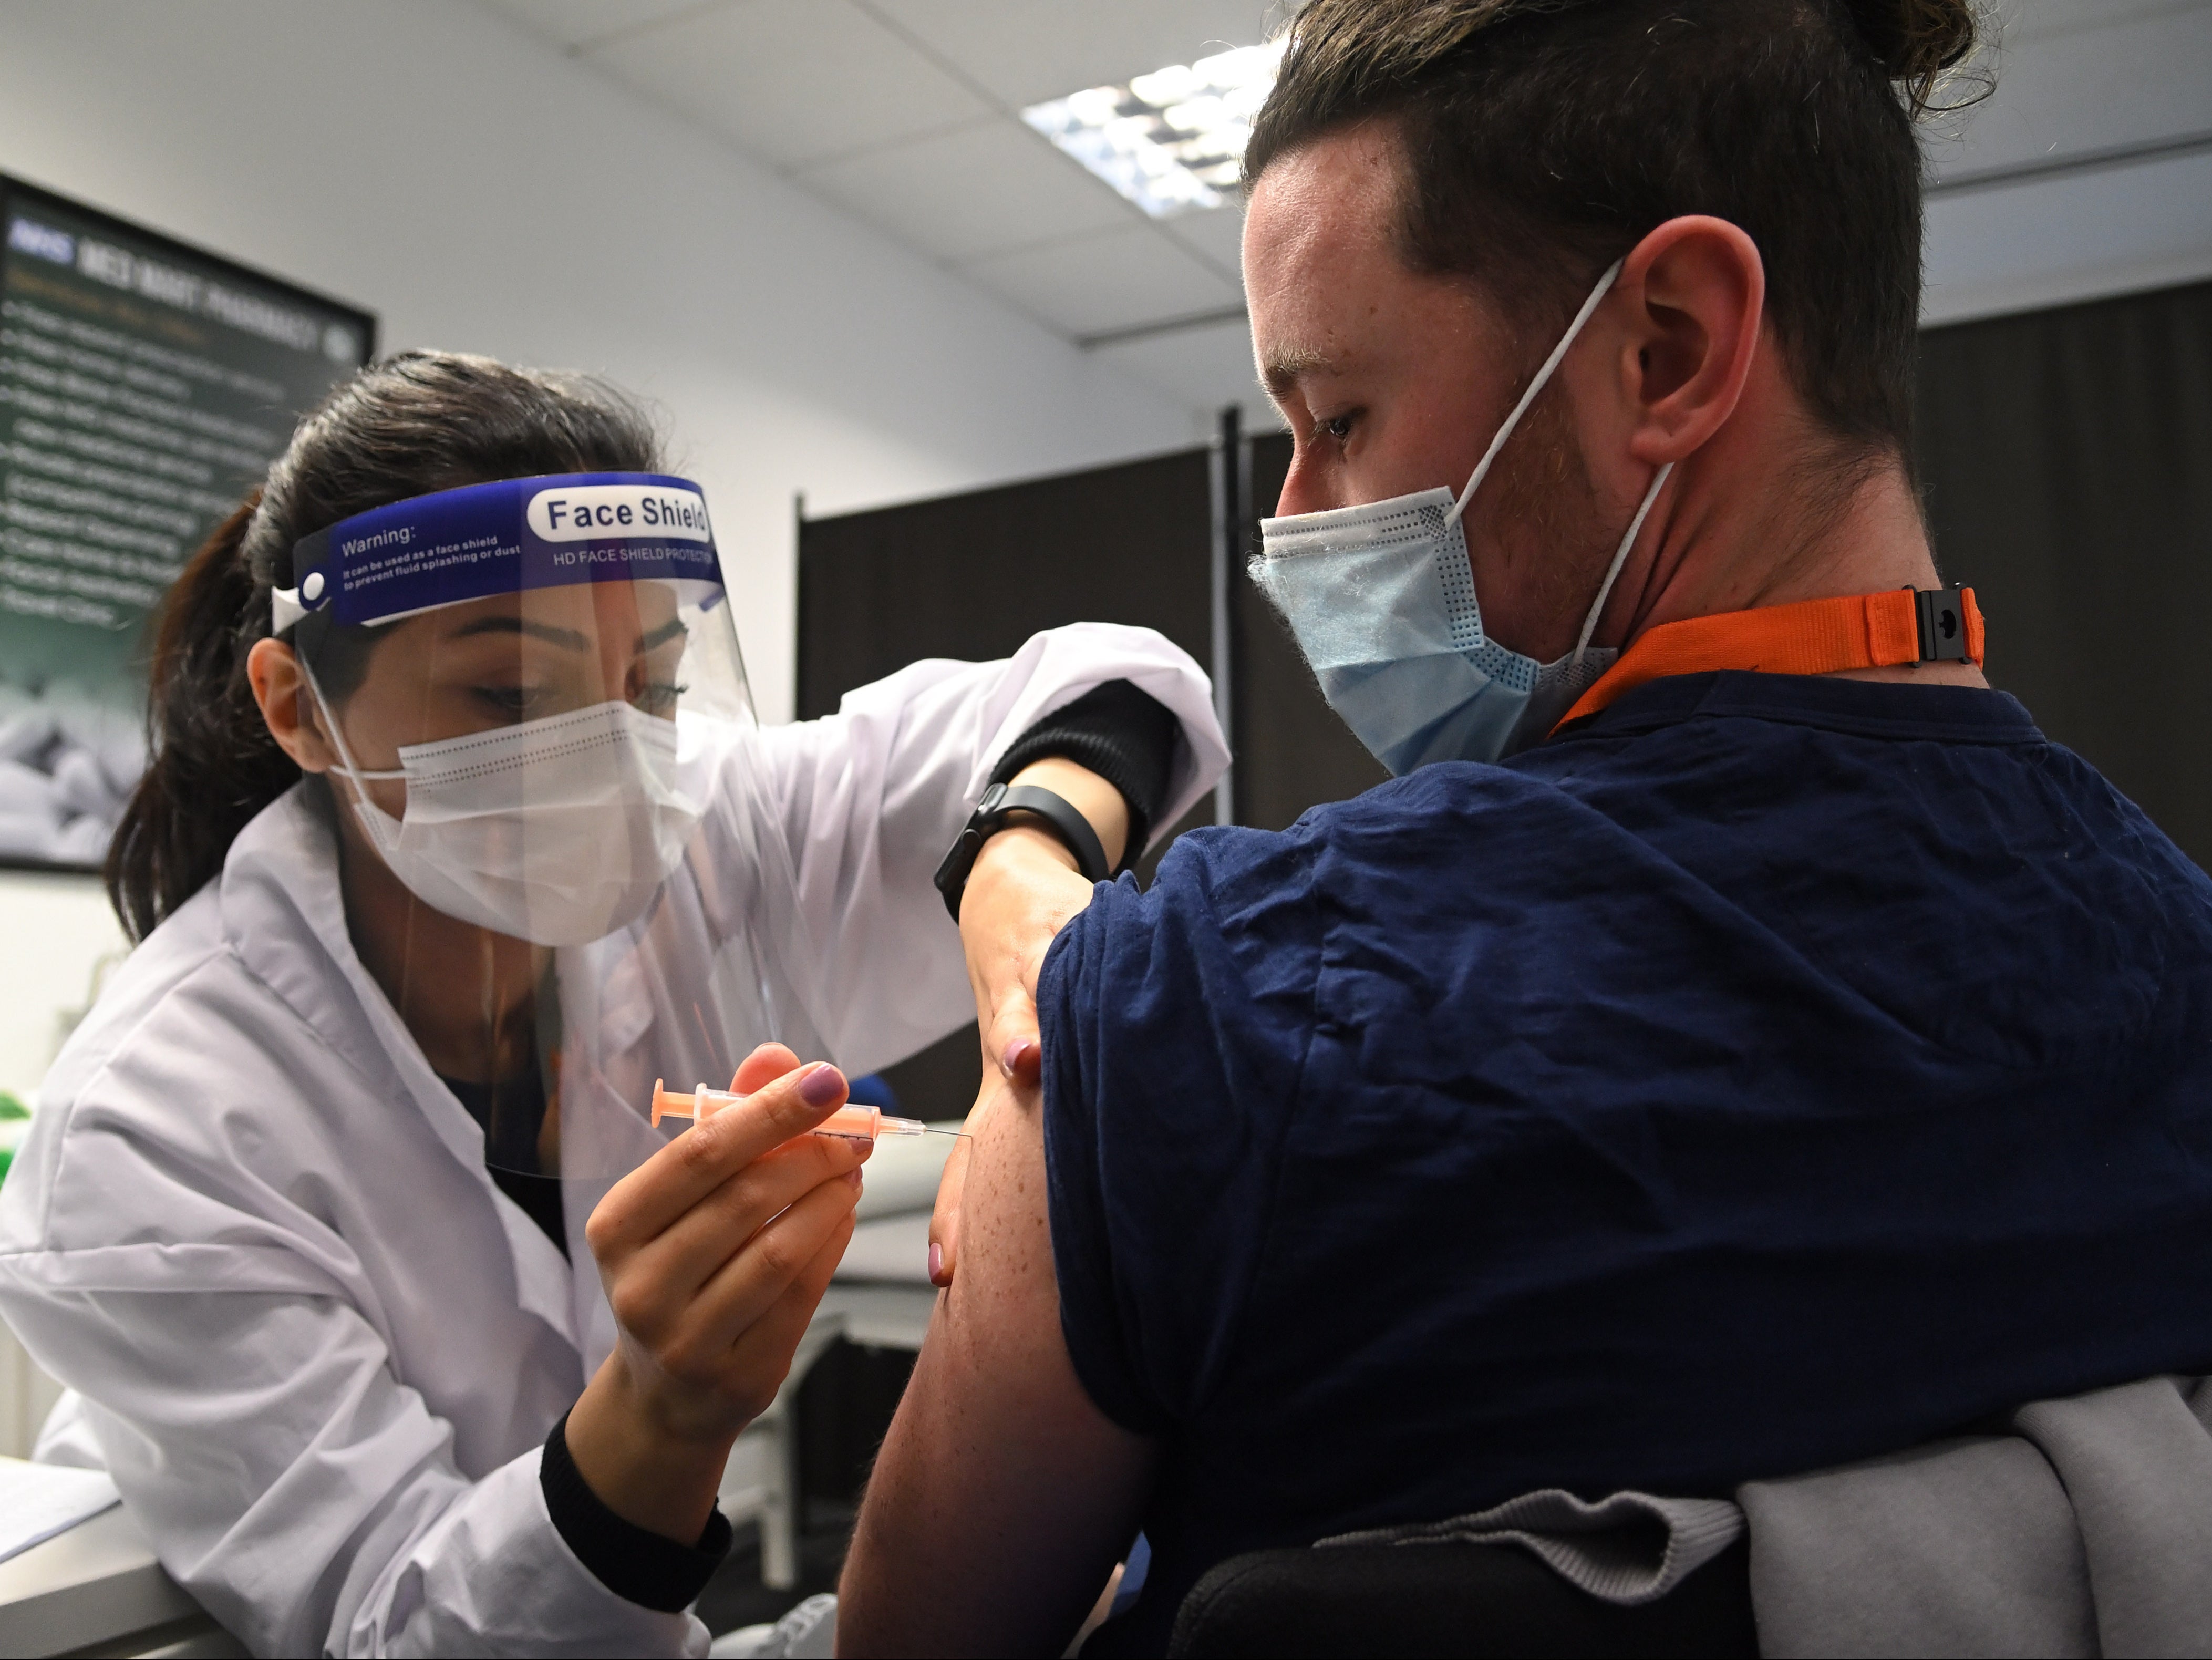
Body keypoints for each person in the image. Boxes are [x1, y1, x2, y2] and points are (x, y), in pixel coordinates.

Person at [842, 0, 2212, 1653]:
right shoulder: (2180, 974)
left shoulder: (1206, 1012)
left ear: (1670, 352)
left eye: (1336, 419)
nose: (1291, 519)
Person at [0, 352, 1226, 1656]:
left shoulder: (711, 819)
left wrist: (1021, 856)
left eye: (648, 685)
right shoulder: (150, 1128)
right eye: (507, 695)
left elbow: (1111, 685)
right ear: (300, 708)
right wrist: (663, 1413)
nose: (616, 764)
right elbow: (396, 1629)